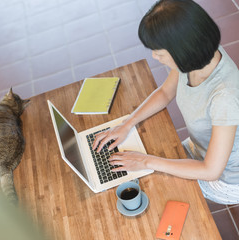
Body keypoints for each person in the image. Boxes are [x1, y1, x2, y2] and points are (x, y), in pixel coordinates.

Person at [93, 0, 239, 204]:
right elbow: (164, 92)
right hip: (200, 149)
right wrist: (127, 124)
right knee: (142, 166)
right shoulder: (196, 56)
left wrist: (145, 161)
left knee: (150, 186)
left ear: (183, 49)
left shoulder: (224, 97)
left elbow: (211, 171)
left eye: (160, 53)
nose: (155, 57)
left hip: (227, 179)